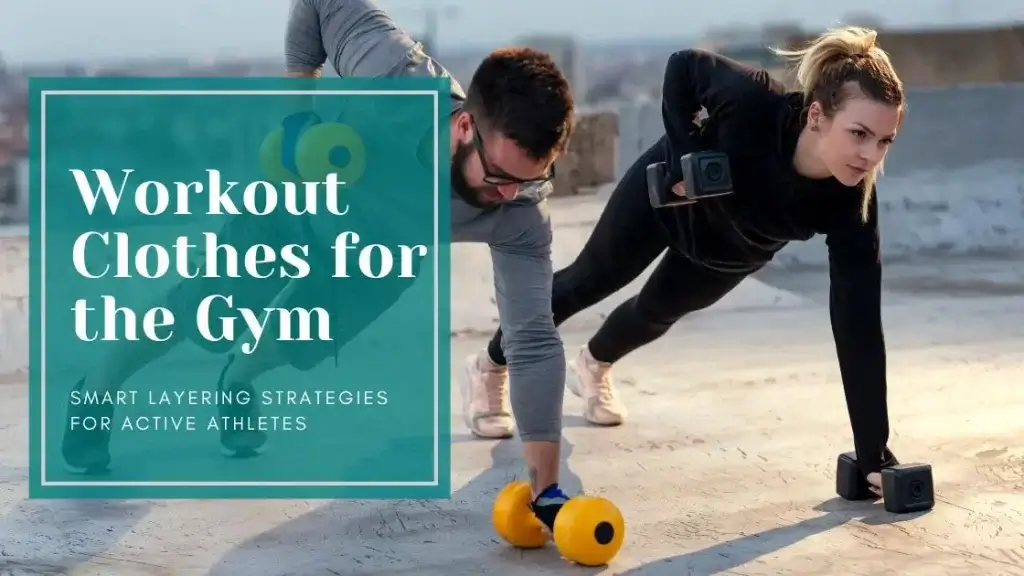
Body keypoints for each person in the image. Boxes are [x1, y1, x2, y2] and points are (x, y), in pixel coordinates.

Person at [62, 0, 578, 518]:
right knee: (205, 308)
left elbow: (531, 340)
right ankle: (97, 387)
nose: (510, 194)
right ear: (465, 126)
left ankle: (237, 378)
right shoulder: (393, 76)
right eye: (499, 176)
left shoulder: (520, 214)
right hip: (294, 203)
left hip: (379, 258)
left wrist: (547, 491)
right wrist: (297, 116)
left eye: (531, 178)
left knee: (298, 340)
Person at [481, 25, 907, 493]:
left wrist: (873, 452)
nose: (870, 155)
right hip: (666, 204)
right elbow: (683, 65)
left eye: (884, 141)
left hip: (730, 253)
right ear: (817, 116)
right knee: (586, 282)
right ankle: (490, 366)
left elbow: (858, 322)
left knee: (654, 313)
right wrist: (686, 158)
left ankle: (594, 365)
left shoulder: (852, 204)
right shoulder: (754, 102)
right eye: (859, 133)